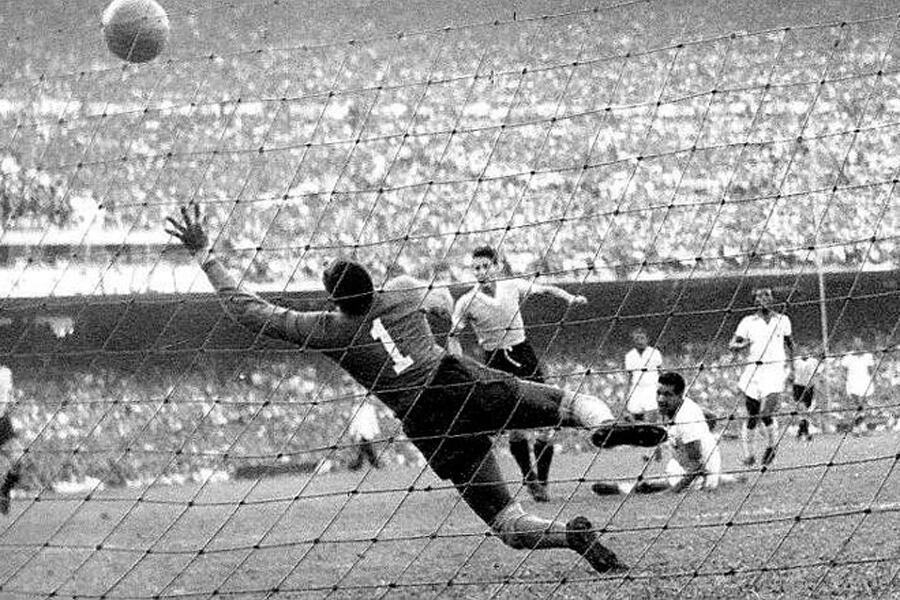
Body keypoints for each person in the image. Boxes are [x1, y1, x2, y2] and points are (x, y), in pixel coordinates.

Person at [166, 204, 667, 574]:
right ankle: (603, 426)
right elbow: (444, 300)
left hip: (425, 422)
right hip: (455, 380)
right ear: (371, 281)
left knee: (507, 524)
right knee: (564, 403)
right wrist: (432, 310)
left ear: (334, 299)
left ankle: (570, 535)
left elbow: (250, 311)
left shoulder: (328, 329)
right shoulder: (402, 289)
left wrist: (206, 255)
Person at [448, 245, 588, 503]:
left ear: (497, 266)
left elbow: (545, 289)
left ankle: (542, 481)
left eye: (485, 266)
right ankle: (529, 477)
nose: (481, 272)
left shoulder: (511, 286)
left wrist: (569, 298)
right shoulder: (466, 301)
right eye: (476, 268)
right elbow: (453, 335)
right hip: (496, 361)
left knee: (548, 417)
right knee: (515, 426)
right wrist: (456, 361)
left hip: (524, 354)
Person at [592, 371, 740, 496]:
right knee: (651, 485)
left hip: (700, 472)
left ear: (680, 395)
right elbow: (711, 416)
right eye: (659, 393)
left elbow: (697, 465)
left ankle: (620, 489)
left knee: (651, 488)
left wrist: (671, 492)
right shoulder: (674, 408)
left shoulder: (685, 419)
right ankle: (729, 478)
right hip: (683, 462)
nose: (661, 399)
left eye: (668, 395)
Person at [728, 287, 794, 467]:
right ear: (755, 300)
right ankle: (749, 455)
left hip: (774, 371)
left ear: (772, 299)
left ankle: (772, 446)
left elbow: (790, 344)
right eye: (759, 296)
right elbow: (732, 343)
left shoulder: (783, 320)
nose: (762, 298)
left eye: (766, 295)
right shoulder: (748, 322)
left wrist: (793, 368)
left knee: (766, 413)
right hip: (753, 371)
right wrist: (740, 347)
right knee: (752, 415)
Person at [840, 337, 876, 435]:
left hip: (865, 382)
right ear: (853, 344)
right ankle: (861, 427)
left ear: (862, 344)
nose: (858, 345)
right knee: (858, 404)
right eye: (856, 343)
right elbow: (842, 369)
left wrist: (873, 380)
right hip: (853, 383)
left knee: (861, 406)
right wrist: (846, 379)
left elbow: (872, 369)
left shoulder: (868, 355)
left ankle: (858, 427)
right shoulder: (848, 356)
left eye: (859, 343)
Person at [0, 366, 23, 515]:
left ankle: (4, 492)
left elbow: (10, 397)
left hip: (2, 423)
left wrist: (12, 401)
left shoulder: (5, 372)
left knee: (18, 460)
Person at [792, 346, 821, 441]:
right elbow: (792, 373)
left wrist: (814, 385)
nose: (804, 352)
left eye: (806, 350)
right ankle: (805, 431)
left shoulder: (813, 361)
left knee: (806, 410)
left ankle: (802, 431)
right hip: (798, 386)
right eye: (802, 350)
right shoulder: (796, 361)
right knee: (801, 408)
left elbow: (816, 374)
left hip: (809, 386)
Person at [347, 396, 383, 470]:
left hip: (367, 431)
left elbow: (373, 420)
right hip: (359, 432)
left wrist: (376, 431)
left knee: (365, 449)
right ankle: (373, 464)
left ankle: (360, 465)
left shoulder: (370, 408)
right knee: (364, 449)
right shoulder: (355, 408)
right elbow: (353, 422)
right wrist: (352, 432)